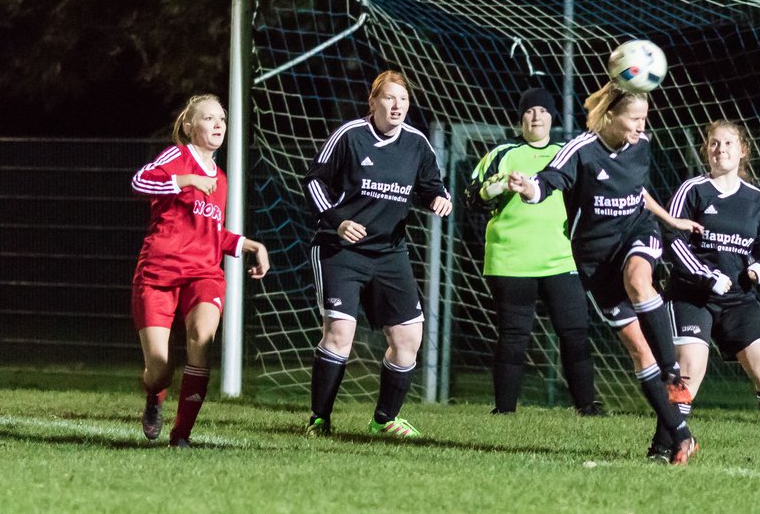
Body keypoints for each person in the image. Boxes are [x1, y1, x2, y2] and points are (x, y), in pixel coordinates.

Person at [507, 81, 703, 465]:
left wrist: (668, 219)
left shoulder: (642, 146)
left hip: (636, 234)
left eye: (645, 120)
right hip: (595, 261)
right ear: (611, 116)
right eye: (634, 120)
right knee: (636, 349)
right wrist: (527, 188)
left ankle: (672, 371)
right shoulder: (582, 150)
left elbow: (639, 191)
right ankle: (680, 435)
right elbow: (547, 183)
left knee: (638, 279)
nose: (641, 128)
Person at [303, 71, 451, 439]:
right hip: (342, 250)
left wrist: (439, 199)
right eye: (389, 98)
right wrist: (338, 222)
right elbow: (314, 181)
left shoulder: (417, 144)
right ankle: (319, 419)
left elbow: (433, 187)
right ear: (373, 102)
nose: (397, 105)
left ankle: (384, 419)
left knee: (408, 340)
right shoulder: (350, 136)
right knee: (340, 333)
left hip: (389, 253)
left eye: (403, 99)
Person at [131, 94, 270, 448]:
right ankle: (154, 394)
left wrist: (248, 245)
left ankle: (181, 436)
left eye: (221, 118)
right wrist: (187, 180)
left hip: (203, 274)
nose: (218, 124)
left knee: (202, 339)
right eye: (208, 119)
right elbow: (140, 182)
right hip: (158, 274)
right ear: (190, 127)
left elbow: (211, 234)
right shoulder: (177, 157)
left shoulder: (221, 180)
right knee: (160, 368)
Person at [666, 120, 760, 462]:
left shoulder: (755, 199)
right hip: (693, 295)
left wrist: (759, 269)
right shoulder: (693, 190)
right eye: (714, 143)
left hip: (739, 298)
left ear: (743, 151)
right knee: (689, 372)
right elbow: (674, 240)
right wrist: (706, 275)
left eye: (728, 143)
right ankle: (665, 444)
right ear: (705, 150)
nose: (720, 149)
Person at [467, 87, 601, 415]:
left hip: (561, 259)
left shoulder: (567, 153)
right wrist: (499, 185)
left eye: (542, 110)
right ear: (521, 117)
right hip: (511, 261)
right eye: (529, 111)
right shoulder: (502, 154)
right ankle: (504, 411)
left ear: (552, 117)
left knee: (575, 333)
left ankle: (588, 407)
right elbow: (472, 198)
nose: (536, 116)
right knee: (513, 336)